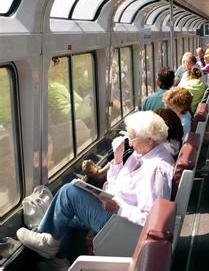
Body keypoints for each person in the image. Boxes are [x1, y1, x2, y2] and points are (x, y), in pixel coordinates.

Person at [17, 111, 174, 268]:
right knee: (67, 215)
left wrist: (119, 209)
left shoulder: (157, 170)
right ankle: (60, 261)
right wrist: (118, 160)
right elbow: (117, 184)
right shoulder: (142, 156)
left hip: (124, 225)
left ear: (150, 140)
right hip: (118, 213)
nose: (130, 143)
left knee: (68, 192)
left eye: (133, 138)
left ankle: (48, 243)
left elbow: (151, 220)